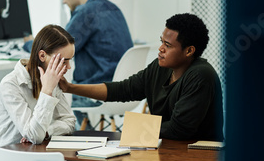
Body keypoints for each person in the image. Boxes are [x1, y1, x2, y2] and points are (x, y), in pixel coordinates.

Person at [59, 13, 224, 141]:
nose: (160, 49)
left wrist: (134, 127)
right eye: (161, 42)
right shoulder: (160, 68)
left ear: (189, 51)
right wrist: (70, 88)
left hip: (198, 155)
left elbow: (178, 129)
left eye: (168, 45)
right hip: (167, 146)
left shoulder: (201, 75)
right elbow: (123, 89)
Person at [24, 0, 133, 127]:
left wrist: (28, 43)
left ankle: (78, 144)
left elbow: (55, 50)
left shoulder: (86, 13)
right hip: (124, 90)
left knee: (53, 98)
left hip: (97, 92)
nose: (63, 1)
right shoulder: (113, 8)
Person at [0, 24, 76, 149]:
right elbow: (34, 136)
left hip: (32, 153)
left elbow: (70, 122)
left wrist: (47, 131)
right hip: (2, 158)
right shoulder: (11, 84)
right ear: (42, 56)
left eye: (70, 60)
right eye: (63, 61)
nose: (69, 66)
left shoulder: (52, 78)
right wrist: (47, 91)